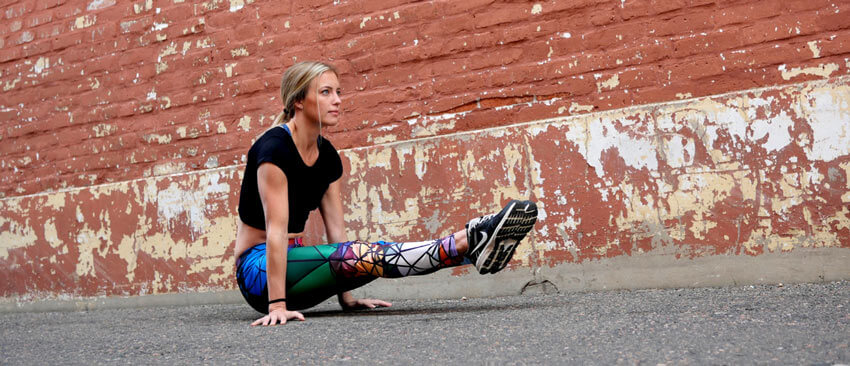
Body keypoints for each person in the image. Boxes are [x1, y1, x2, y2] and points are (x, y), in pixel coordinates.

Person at [234, 61, 538, 326]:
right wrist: (276, 307)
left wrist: (347, 297)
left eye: (338, 92)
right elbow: (276, 230)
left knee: (371, 255)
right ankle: (467, 238)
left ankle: (472, 250)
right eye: (325, 92)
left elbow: (336, 233)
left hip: (298, 276)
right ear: (298, 100)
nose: (337, 100)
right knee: (367, 253)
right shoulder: (274, 148)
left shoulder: (328, 157)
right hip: (260, 275)